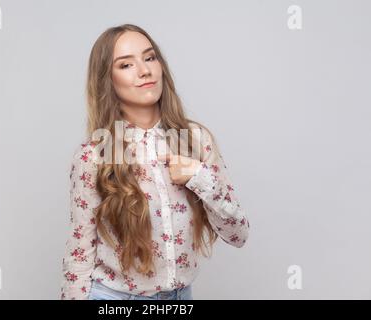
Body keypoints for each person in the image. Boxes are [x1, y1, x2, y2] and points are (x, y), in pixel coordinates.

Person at [60, 24, 250, 300]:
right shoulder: (94, 154)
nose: (144, 70)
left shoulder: (195, 140)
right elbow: (79, 251)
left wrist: (199, 176)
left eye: (150, 58)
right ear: (107, 80)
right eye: (126, 65)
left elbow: (238, 235)